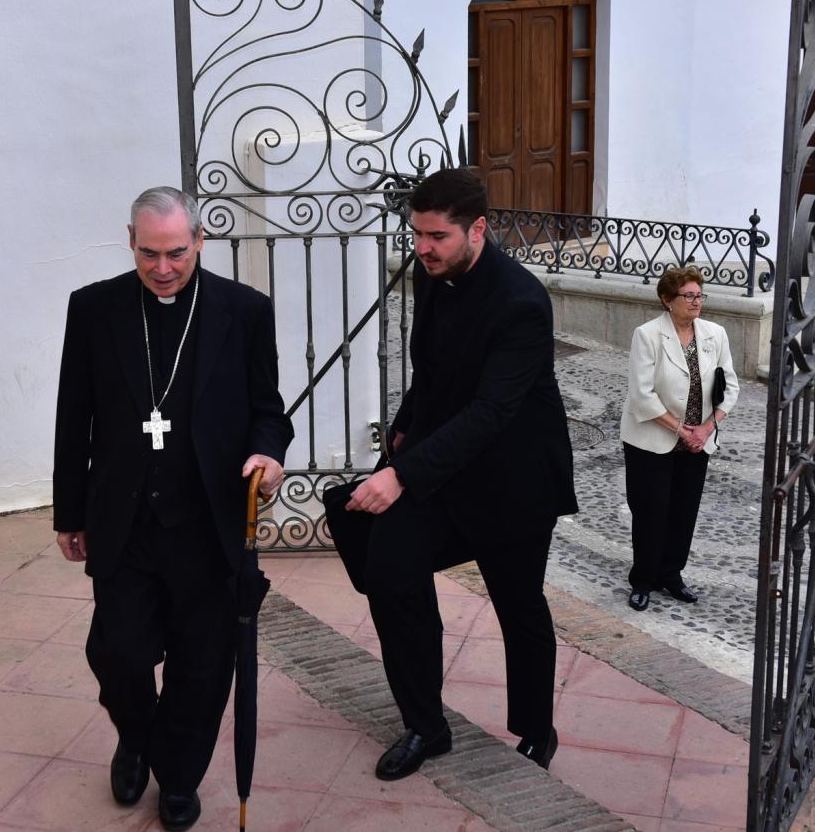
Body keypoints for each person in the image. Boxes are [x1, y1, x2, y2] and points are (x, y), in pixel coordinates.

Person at [53, 186, 293, 832]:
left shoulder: (244, 311)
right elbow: (74, 417)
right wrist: (68, 512)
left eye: (177, 253)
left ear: (200, 242)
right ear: (130, 240)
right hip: (124, 521)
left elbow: (268, 410)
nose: (163, 267)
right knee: (120, 654)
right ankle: (138, 737)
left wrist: (268, 455)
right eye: (150, 253)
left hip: (208, 524)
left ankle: (178, 775)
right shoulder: (96, 309)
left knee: (203, 662)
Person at [328, 167, 577, 781]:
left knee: (518, 605)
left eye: (436, 236)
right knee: (389, 572)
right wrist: (404, 430)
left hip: (515, 480)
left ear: (479, 230)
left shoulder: (522, 302)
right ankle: (425, 725)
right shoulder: (430, 274)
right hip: (440, 463)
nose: (422, 248)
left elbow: (492, 412)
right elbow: (432, 371)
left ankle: (537, 731)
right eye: (416, 234)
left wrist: (402, 477)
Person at [619, 267, 739, 612]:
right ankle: (642, 579)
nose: (696, 301)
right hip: (652, 437)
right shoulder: (648, 335)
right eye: (688, 296)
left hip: (699, 439)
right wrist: (680, 428)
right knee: (649, 512)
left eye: (699, 295)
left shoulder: (715, 334)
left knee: (684, 511)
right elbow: (641, 395)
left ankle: (671, 575)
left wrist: (706, 428)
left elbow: (730, 387)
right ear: (667, 300)